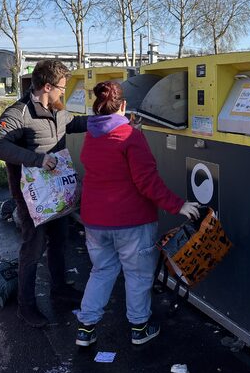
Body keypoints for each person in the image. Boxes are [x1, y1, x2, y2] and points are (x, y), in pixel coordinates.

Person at [74, 81, 199, 347]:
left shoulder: (91, 135)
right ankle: (139, 328)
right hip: (131, 221)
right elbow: (147, 182)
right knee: (138, 275)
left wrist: (132, 132)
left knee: (101, 271)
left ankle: (85, 328)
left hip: (96, 221)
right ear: (123, 106)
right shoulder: (131, 137)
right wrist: (178, 205)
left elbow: (107, 159)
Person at [0, 60, 88, 328]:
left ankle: (60, 290)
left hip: (57, 193)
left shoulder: (56, 108)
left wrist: (111, 121)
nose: (63, 93)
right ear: (47, 86)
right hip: (31, 196)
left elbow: (75, 123)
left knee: (59, 242)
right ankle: (26, 307)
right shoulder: (18, 114)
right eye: (61, 88)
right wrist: (36, 159)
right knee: (33, 249)